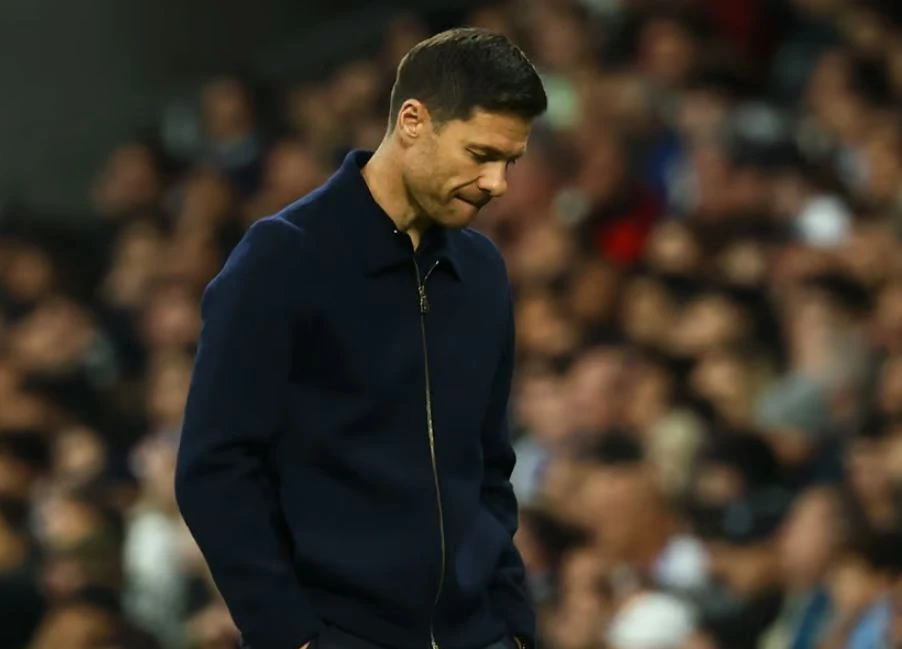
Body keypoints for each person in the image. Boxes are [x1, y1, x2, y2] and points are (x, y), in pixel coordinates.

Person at [174, 27, 547, 649]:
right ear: (412, 121)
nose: (496, 183)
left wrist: (512, 626)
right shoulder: (283, 259)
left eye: (511, 161)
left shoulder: (482, 271)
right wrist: (289, 634)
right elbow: (215, 468)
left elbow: (489, 467)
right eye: (481, 154)